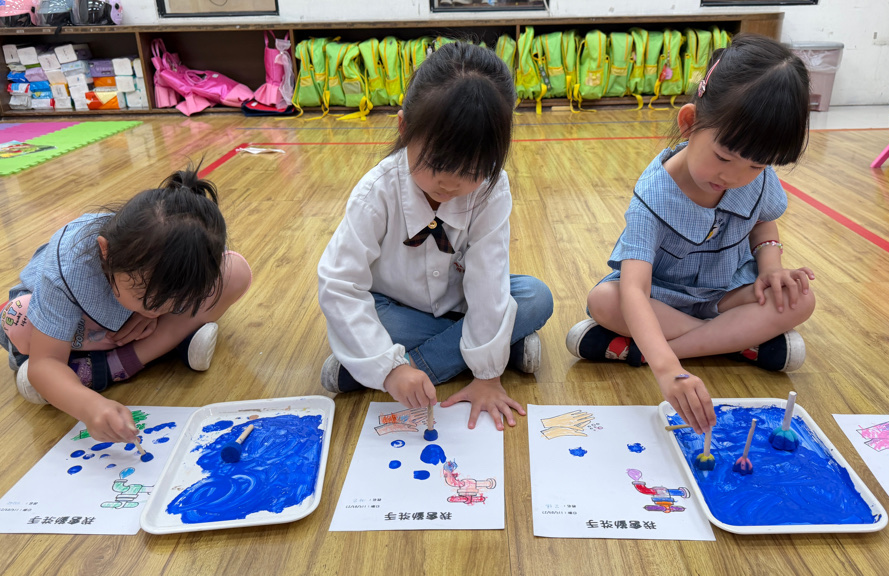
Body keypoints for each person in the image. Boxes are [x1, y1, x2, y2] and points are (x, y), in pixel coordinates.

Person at [566, 34, 816, 434]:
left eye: (756, 166)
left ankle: (639, 351)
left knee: (800, 298)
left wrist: (771, 267)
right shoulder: (653, 195)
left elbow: (762, 221)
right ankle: (737, 344)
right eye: (723, 157)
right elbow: (634, 290)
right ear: (689, 124)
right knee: (604, 300)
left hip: (726, 295)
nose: (735, 177)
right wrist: (669, 371)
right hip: (663, 299)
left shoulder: (756, 177)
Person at [317, 42, 553, 431]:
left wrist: (487, 377)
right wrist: (388, 368)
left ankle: (400, 366)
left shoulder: (492, 188)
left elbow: (488, 280)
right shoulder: (376, 191)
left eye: (473, 170)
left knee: (535, 297)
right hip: (395, 308)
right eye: (438, 164)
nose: (451, 183)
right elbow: (340, 284)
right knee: (368, 318)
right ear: (404, 127)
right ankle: (500, 346)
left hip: (460, 303)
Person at [0, 165, 252, 442]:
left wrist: (152, 312)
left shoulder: (191, 250)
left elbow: (172, 294)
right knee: (22, 320)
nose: (159, 309)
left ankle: (110, 365)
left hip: (118, 332)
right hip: (73, 329)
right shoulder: (69, 269)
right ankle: (166, 346)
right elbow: (46, 362)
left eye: (176, 302)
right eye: (143, 295)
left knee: (234, 272)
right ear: (106, 252)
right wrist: (89, 406)